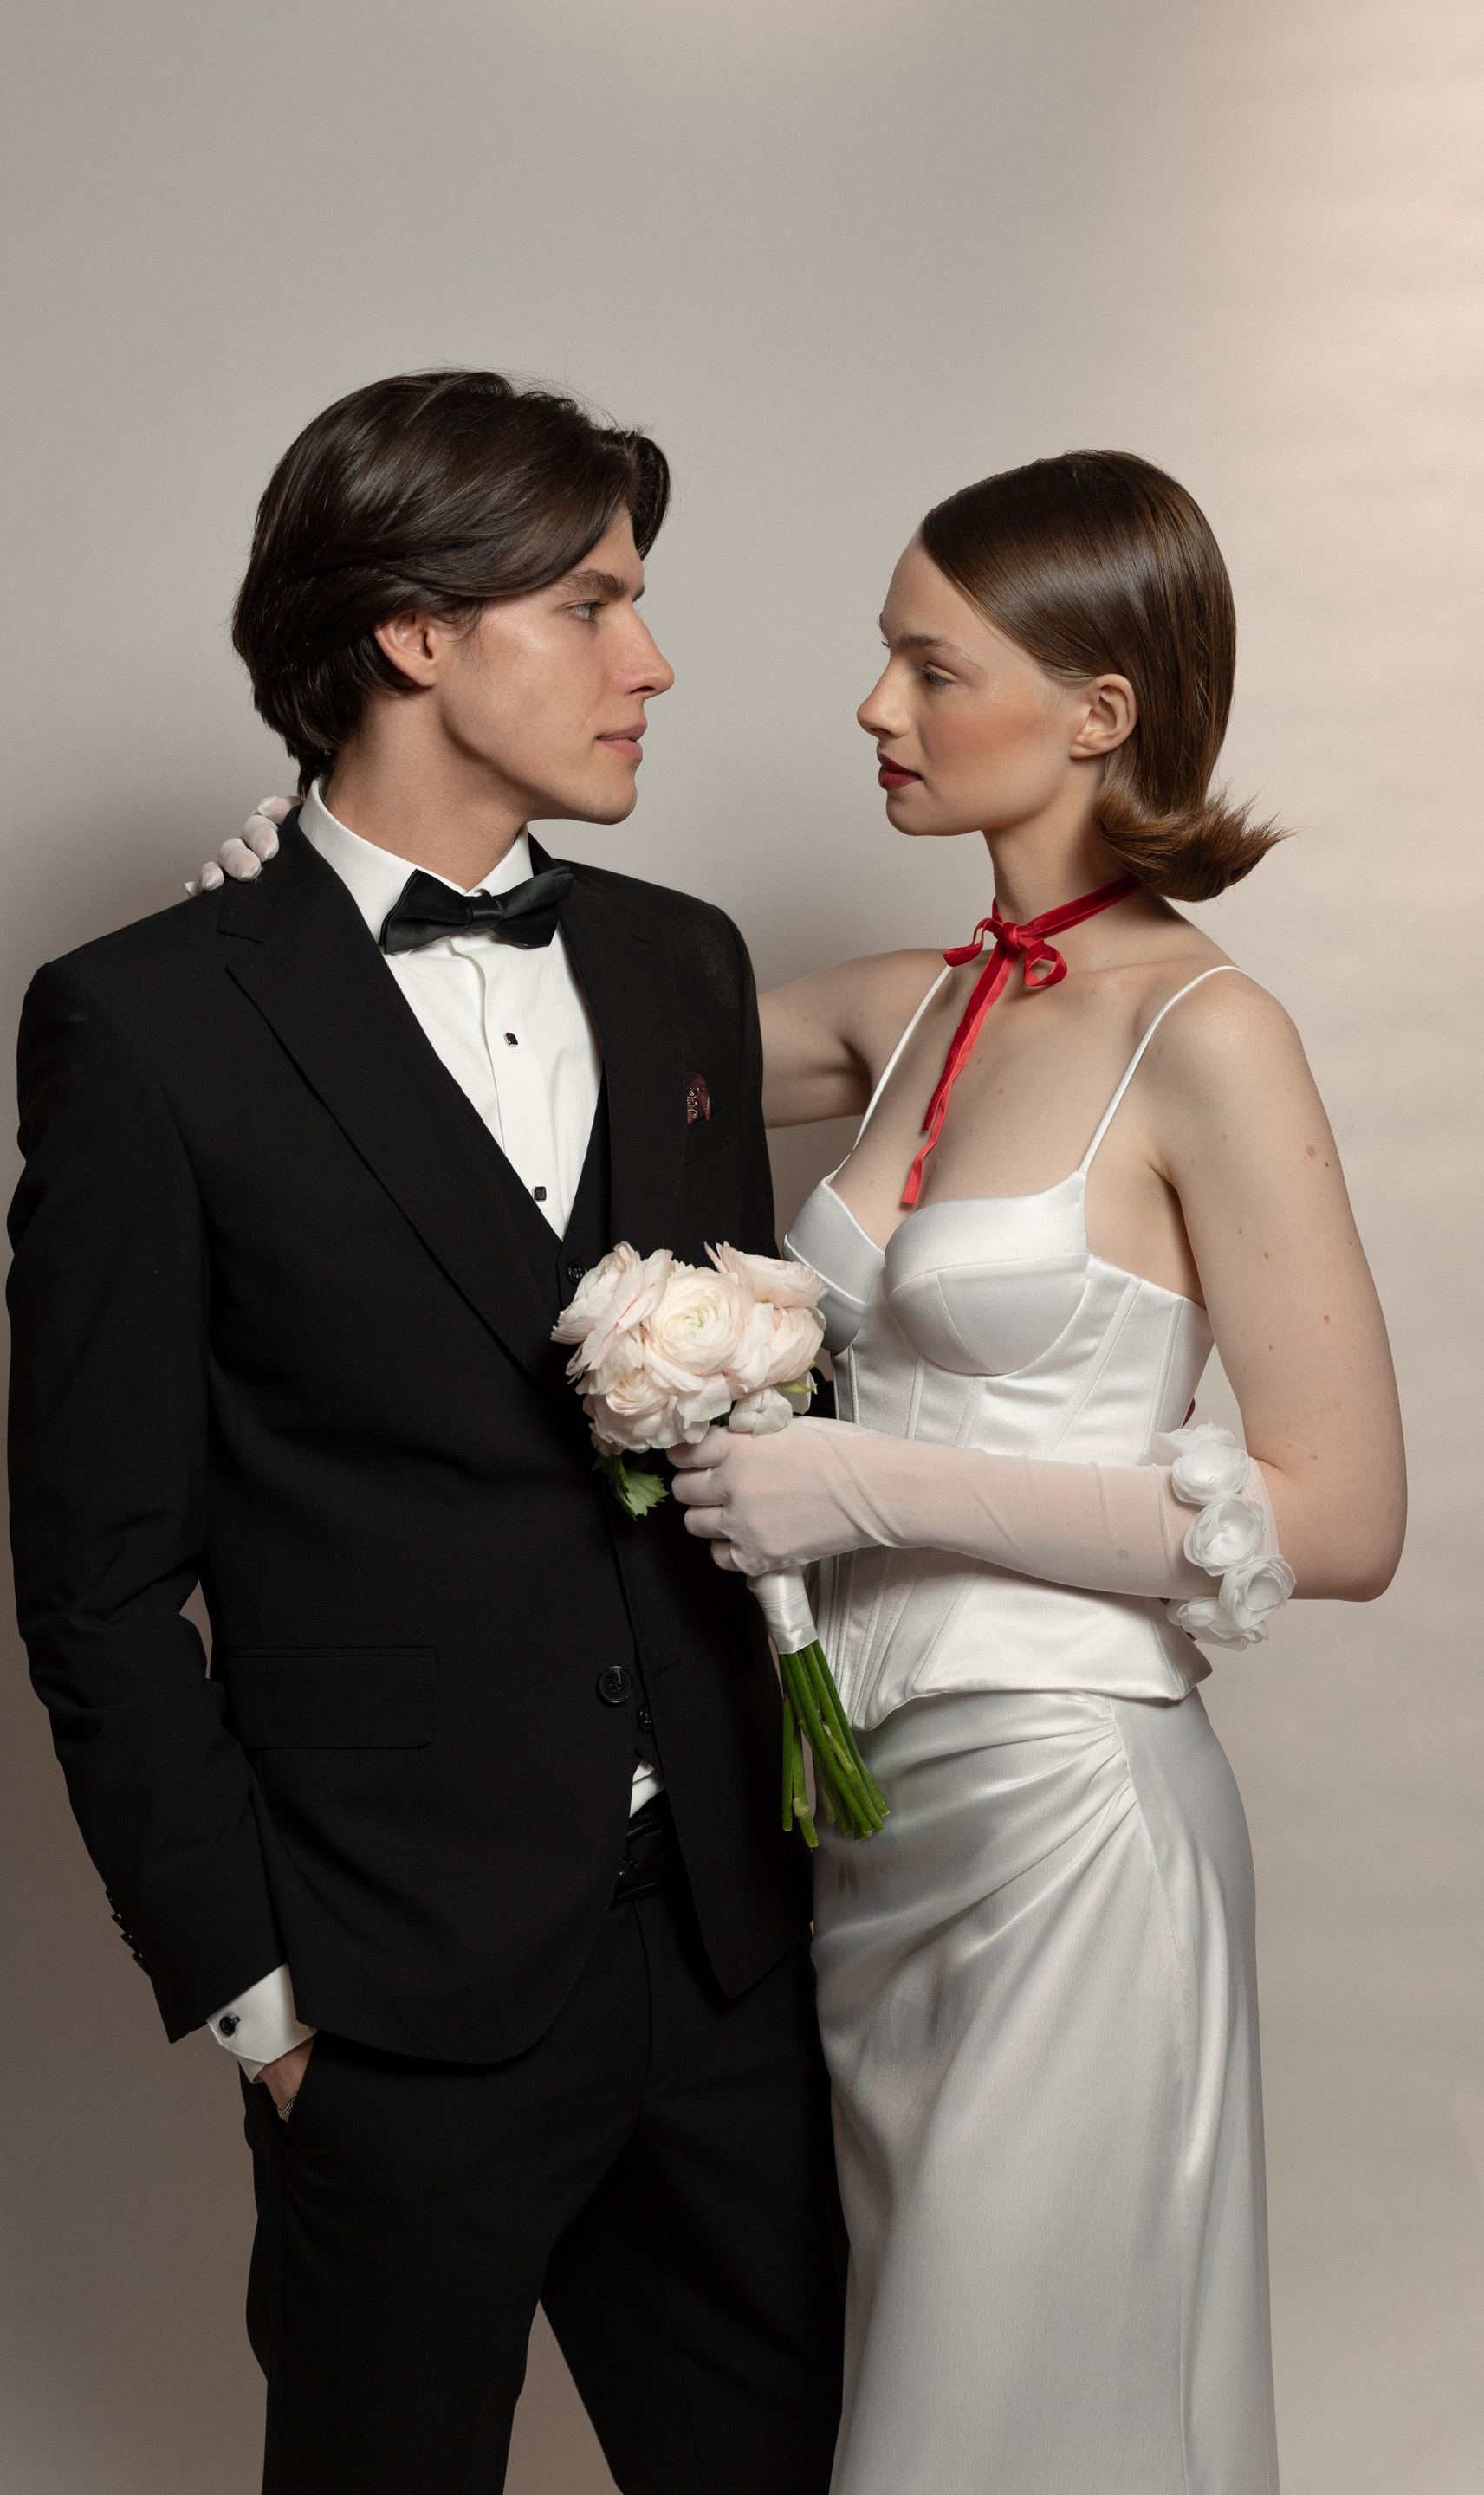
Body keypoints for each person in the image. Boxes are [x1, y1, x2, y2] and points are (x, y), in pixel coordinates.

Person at [203, 447, 1407, 2488]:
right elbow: (490, 1057)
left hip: (1064, 1817)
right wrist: (318, 893)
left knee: (1014, 2419)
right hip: (846, 1843)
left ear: (1099, 713)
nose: (873, 707)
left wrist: (874, 1489)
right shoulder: (905, 1016)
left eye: (932, 669)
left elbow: (1344, 1517)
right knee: (881, 2406)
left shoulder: (1210, 1033)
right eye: (883, 657)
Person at [7, 370, 844, 2495]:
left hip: (726, 1964)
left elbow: (744, 1418)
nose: (653, 662)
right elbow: (97, 1584)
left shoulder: (677, 964)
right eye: (594, 603)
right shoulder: (147, 1023)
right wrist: (261, 2005)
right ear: (413, 630)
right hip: (388, 1999)